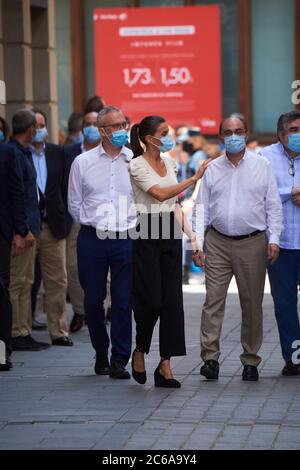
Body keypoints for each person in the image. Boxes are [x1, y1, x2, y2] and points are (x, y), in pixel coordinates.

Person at [192, 115, 283, 382]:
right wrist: (197, 243)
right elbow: (202, 209)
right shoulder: (211, 168)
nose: (233, 136)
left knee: (252, 303)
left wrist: (274, 238)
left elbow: (272, 206)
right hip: (217, 242)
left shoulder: (262, 166)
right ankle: (210, 358)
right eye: (228, 132)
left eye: (238, 131)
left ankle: (250, 360)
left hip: (253, 243)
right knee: (212, 302)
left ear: (246, 133)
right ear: (220, 136)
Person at [128, 115, 209, 388]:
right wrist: (194, 179)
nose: (169, 135)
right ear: (151, 138)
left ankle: (165, 364)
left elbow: (173, 205)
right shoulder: (136, 165)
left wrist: (193, 239)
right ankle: (139, 348)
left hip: (170, 232)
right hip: (146, 230)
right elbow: (160, 194)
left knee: (172, 302)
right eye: (164, 132)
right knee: (151, 300)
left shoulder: (171, 162)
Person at [68, 106, 134, 379]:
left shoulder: (134, 160)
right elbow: (74, 201)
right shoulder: (82, 162)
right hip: (92, 238)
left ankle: (119, 359)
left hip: (126, 238)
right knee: (92, 300)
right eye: (116, 126)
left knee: (122, 301)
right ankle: (100, 351)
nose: (121, 130)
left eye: (123, 125)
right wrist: (94, 222)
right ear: (103, 130)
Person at [260, 110, 300, 376]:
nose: (298, 135)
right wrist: (290, 193)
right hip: (280, 244)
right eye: (294, 130)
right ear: (281, 134)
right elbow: (260, 194)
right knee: (284, 304)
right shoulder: (263, 158)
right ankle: (294, 358)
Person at [31, 109, 72, 346]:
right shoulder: (19, 154)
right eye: (35, 126)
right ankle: (21, 330)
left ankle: (58, 331)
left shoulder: (58, 153)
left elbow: (66, 188)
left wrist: (65, 221)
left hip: (53, 226)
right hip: (25, 228)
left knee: (58, 280)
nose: (39, 130)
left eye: (42, 124)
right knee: (25, 281)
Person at [8, 109, 45, 351]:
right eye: (36, 127)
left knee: (27, 281)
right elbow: (15, 195)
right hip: (23, 230)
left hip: (31, 226)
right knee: (18, 283)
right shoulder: (12, 153)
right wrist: (22, 230)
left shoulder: (22, 153)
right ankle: (15, 331)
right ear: (30, 128)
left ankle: (24, 329)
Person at [65, 109, 104, 333]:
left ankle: (102, 309)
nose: (90, 127)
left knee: (106, 271)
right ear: (82, 129)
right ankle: (80, 311)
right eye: (87, 123)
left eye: (94, 123)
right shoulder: (70, 153)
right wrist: (79, 218)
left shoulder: (119, 155)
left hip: (107, 222)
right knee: (73, 268)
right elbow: (65, 187)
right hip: (78, 220)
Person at [0, 143, 27, 370]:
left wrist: (20, 230)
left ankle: (2, 352)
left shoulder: (6, 152)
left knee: (1, 289)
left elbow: (16, 191)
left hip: (1, 232)